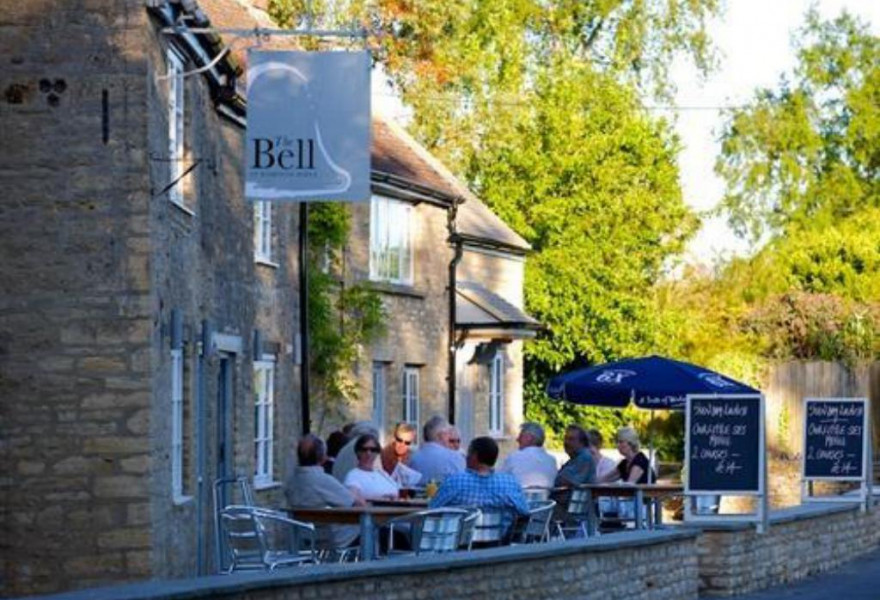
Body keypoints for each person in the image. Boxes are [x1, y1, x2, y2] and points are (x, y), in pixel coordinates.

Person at [430, 436, 530, 538]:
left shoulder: (454, 481)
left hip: (459, 547)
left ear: (474, 456)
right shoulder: (510, 483)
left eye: (468, 453)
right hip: (499, 547)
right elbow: (525, 511)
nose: (466, 457)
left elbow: (432, 510)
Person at [285, 434, 362, 550]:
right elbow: (353, 503)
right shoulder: (322, 480)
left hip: (304, 535)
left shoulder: (292, 481)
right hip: (329, 537)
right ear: (322, 457)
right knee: (371, 527)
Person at [498, 422, 558, 489]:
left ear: (529, 438)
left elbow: (499, 480)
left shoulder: (514, 458)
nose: (517, 439)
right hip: (545, 499)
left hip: (518, 498)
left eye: (521, 436)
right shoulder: (552, 461)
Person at [409, 415, 465, 485]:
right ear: (442, 435)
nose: (450, 437)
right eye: (448, 434)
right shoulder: (455, 457)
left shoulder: (412, 458)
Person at [344, 434, 400, 501]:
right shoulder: (353, 475)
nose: (368, 453)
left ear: (377, 452)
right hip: (377, 510)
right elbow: (353, 499)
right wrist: (381, 499)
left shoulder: (382, 473)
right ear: (358, 452)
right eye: (364, 449)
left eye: (373, 450)